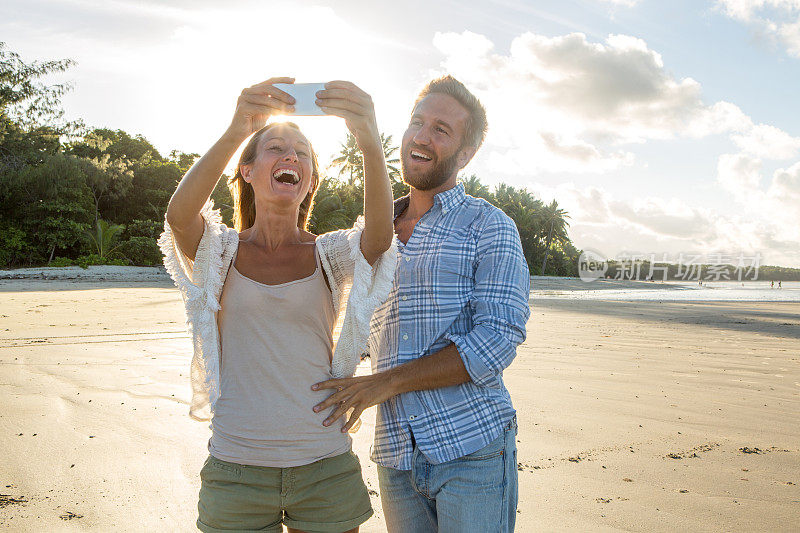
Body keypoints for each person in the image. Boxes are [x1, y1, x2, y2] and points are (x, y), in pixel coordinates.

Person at [159, 77, 396, 533]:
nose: (291, 156)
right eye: (275, 148)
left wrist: (369, 141)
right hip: (236, 470)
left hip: (323, 466)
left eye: (302, 152)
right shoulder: (219, 252)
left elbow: (380, 238)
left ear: (309, 180)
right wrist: (238, 129)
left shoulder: (329, 255)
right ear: (246, 170)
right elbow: (179, 217)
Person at [311, 75, 531, 532]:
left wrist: (383, 384)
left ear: (464, 155)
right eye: (417, 122)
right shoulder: (371, 235)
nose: (421, 136)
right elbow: (300, 270)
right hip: (396, 455)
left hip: (472, 447)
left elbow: (497, 341)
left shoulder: (490, 226)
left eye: (441, 129)